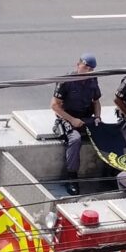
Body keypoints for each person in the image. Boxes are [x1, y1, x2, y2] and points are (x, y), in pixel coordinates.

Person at [50, 53, 102, 195]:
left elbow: (96, 102)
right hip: (67, 118)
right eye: (86, 67)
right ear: (78, 65)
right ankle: (72, 177)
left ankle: (111, 170)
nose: (88, 71)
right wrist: (72, 120)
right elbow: (55, 105)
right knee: (75, 139)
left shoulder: (93, 80)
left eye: (91, 69)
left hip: (86, 117)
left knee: (106, 131)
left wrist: (97, 117)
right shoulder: (66, 81)